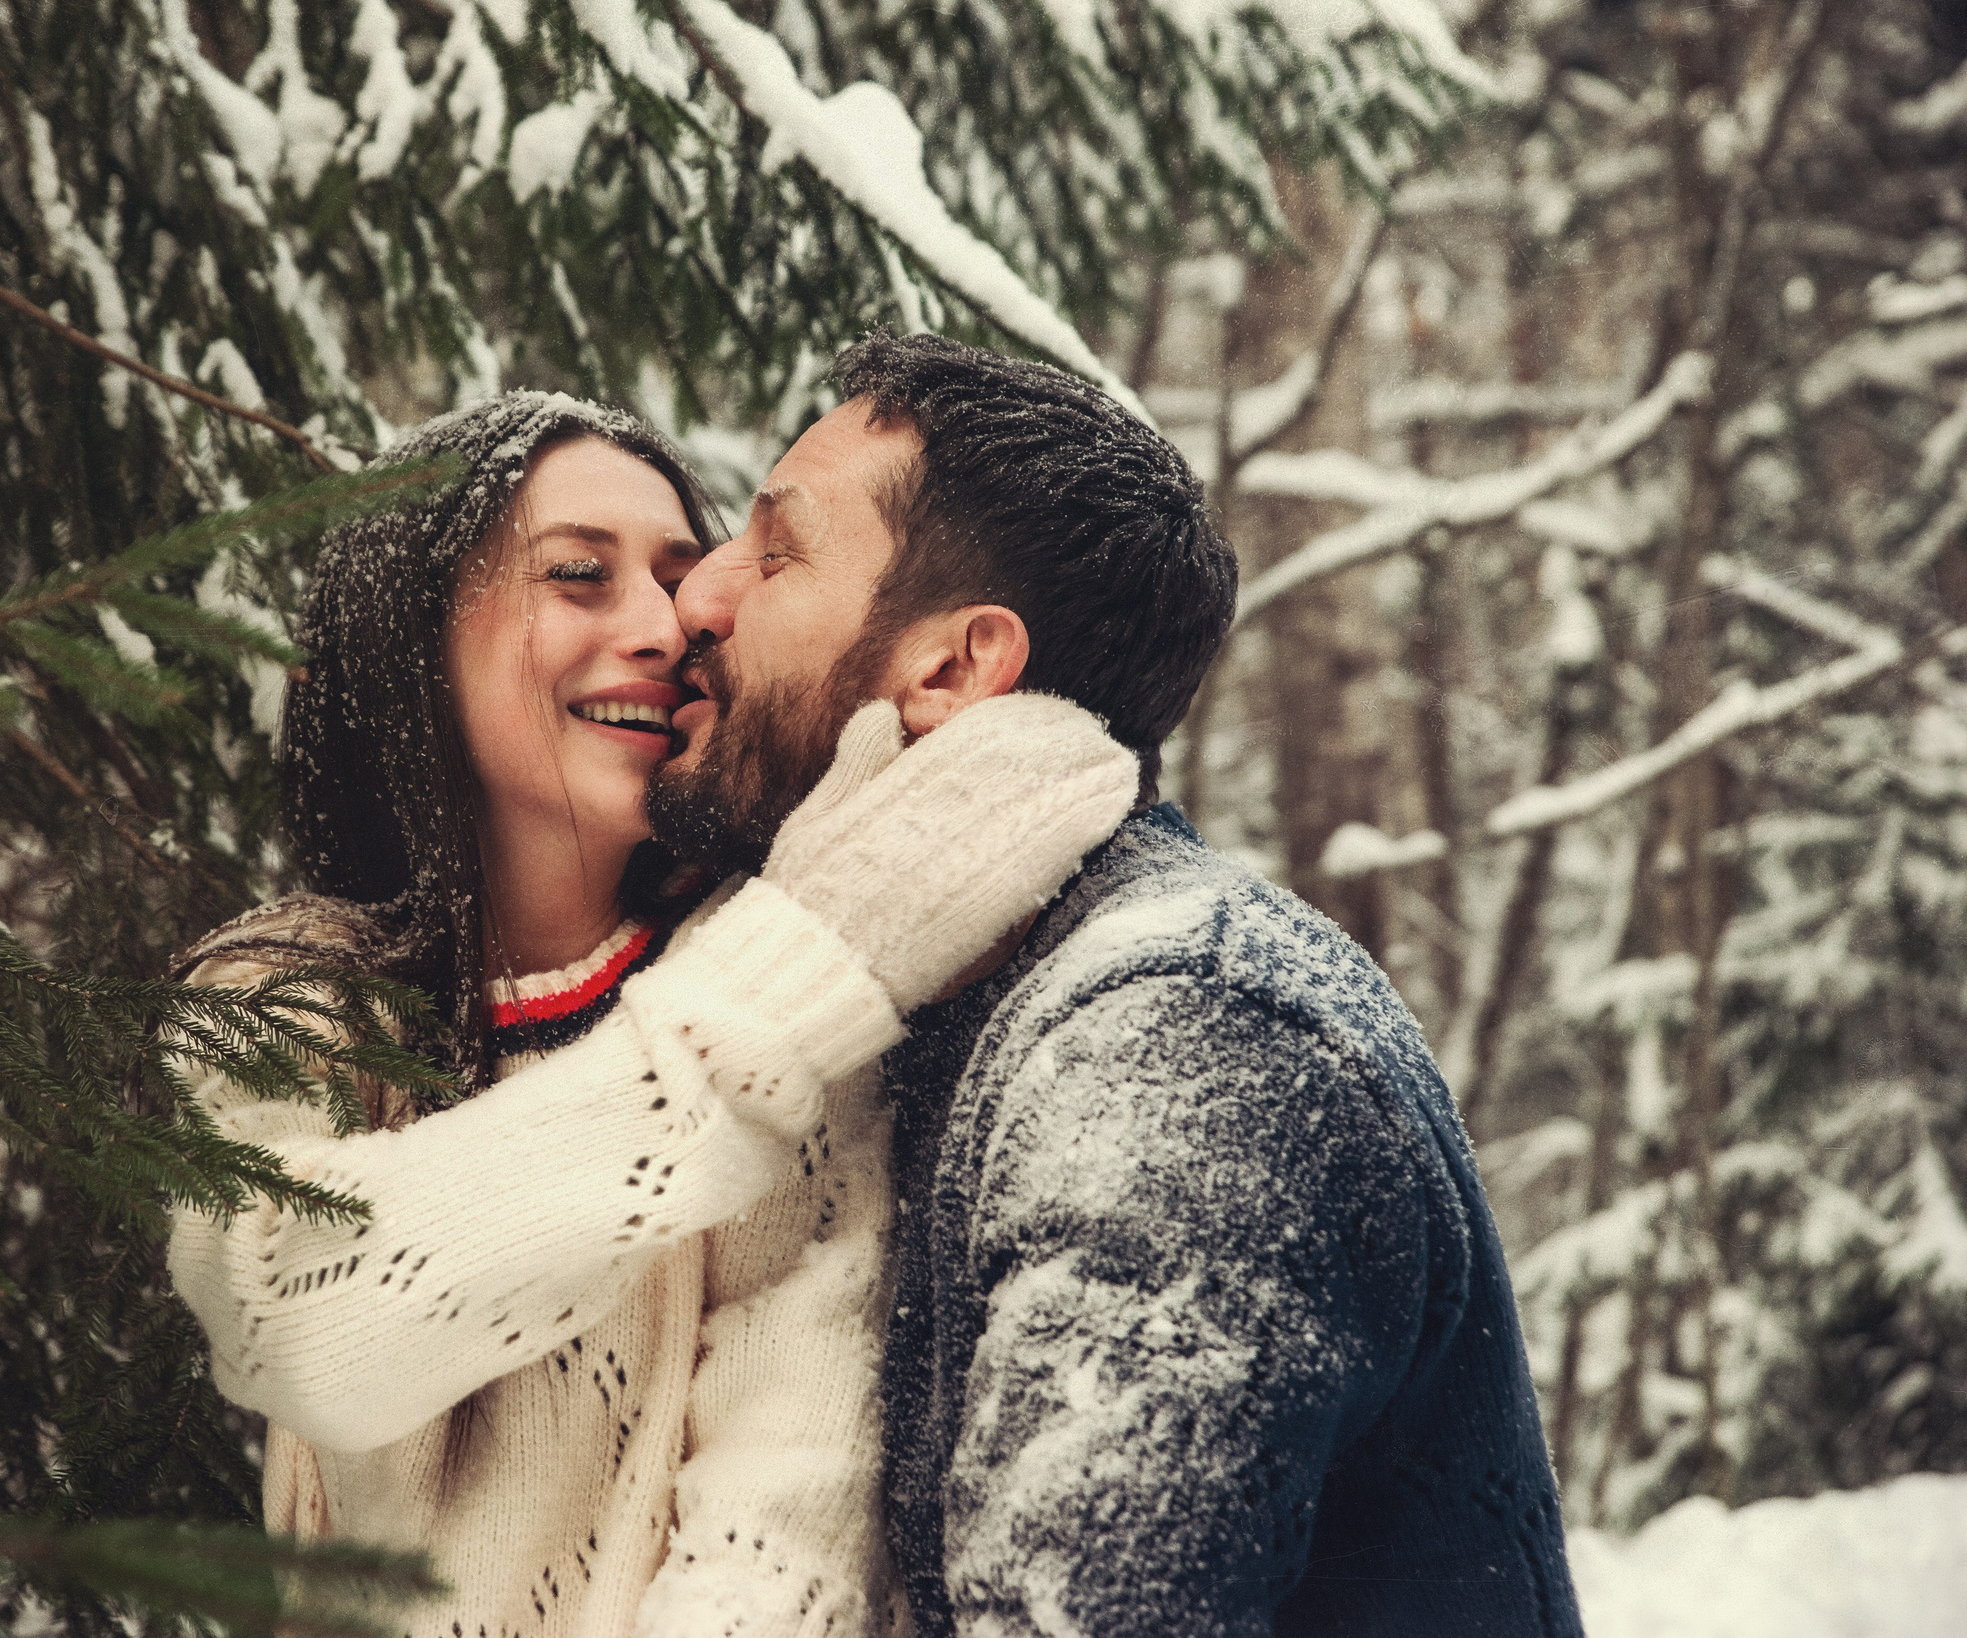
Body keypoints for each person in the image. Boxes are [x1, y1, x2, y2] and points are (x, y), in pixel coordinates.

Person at [648, 332, 1584, 1638]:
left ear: (955, 667)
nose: (698, 598)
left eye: (778, 551)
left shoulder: (1181, 1043)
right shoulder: (957, 1004)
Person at [162, 391, 1136, 1638]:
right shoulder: (277, 1001)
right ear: (407, 632)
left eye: (681, 579)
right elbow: (296, 1316)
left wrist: (788, 964)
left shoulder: (793, 1009)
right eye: (578, 575)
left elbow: (790, 1522)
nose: (660, 626)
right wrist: (789, 973)